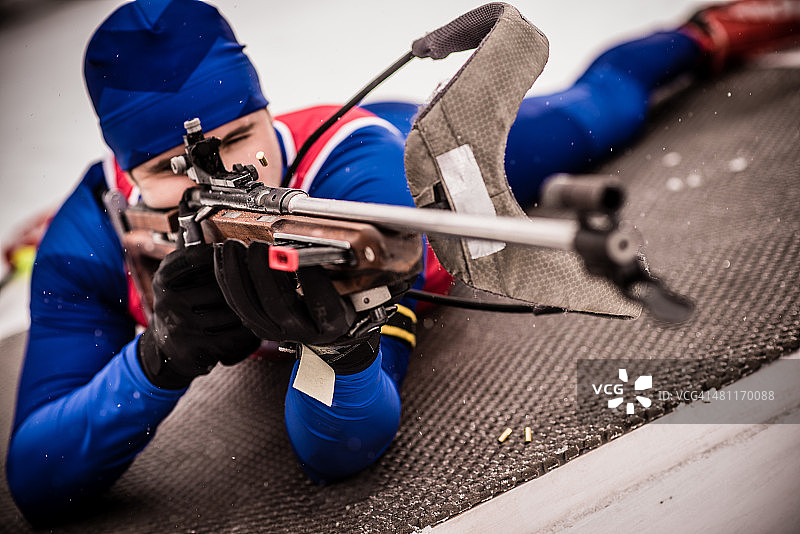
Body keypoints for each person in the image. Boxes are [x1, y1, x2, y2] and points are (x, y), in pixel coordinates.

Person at [6, 0, 799, 523]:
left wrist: (339, 347)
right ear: (125, 177)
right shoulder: (88, 238)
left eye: (244, 135)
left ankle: (708, 32)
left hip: (411, 152)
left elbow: (338, 452)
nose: (230, 179)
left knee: (604, 111)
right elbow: (35, 485)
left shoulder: (356, 178)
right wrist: (158, 358)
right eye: (177, 167)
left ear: (266, 110)